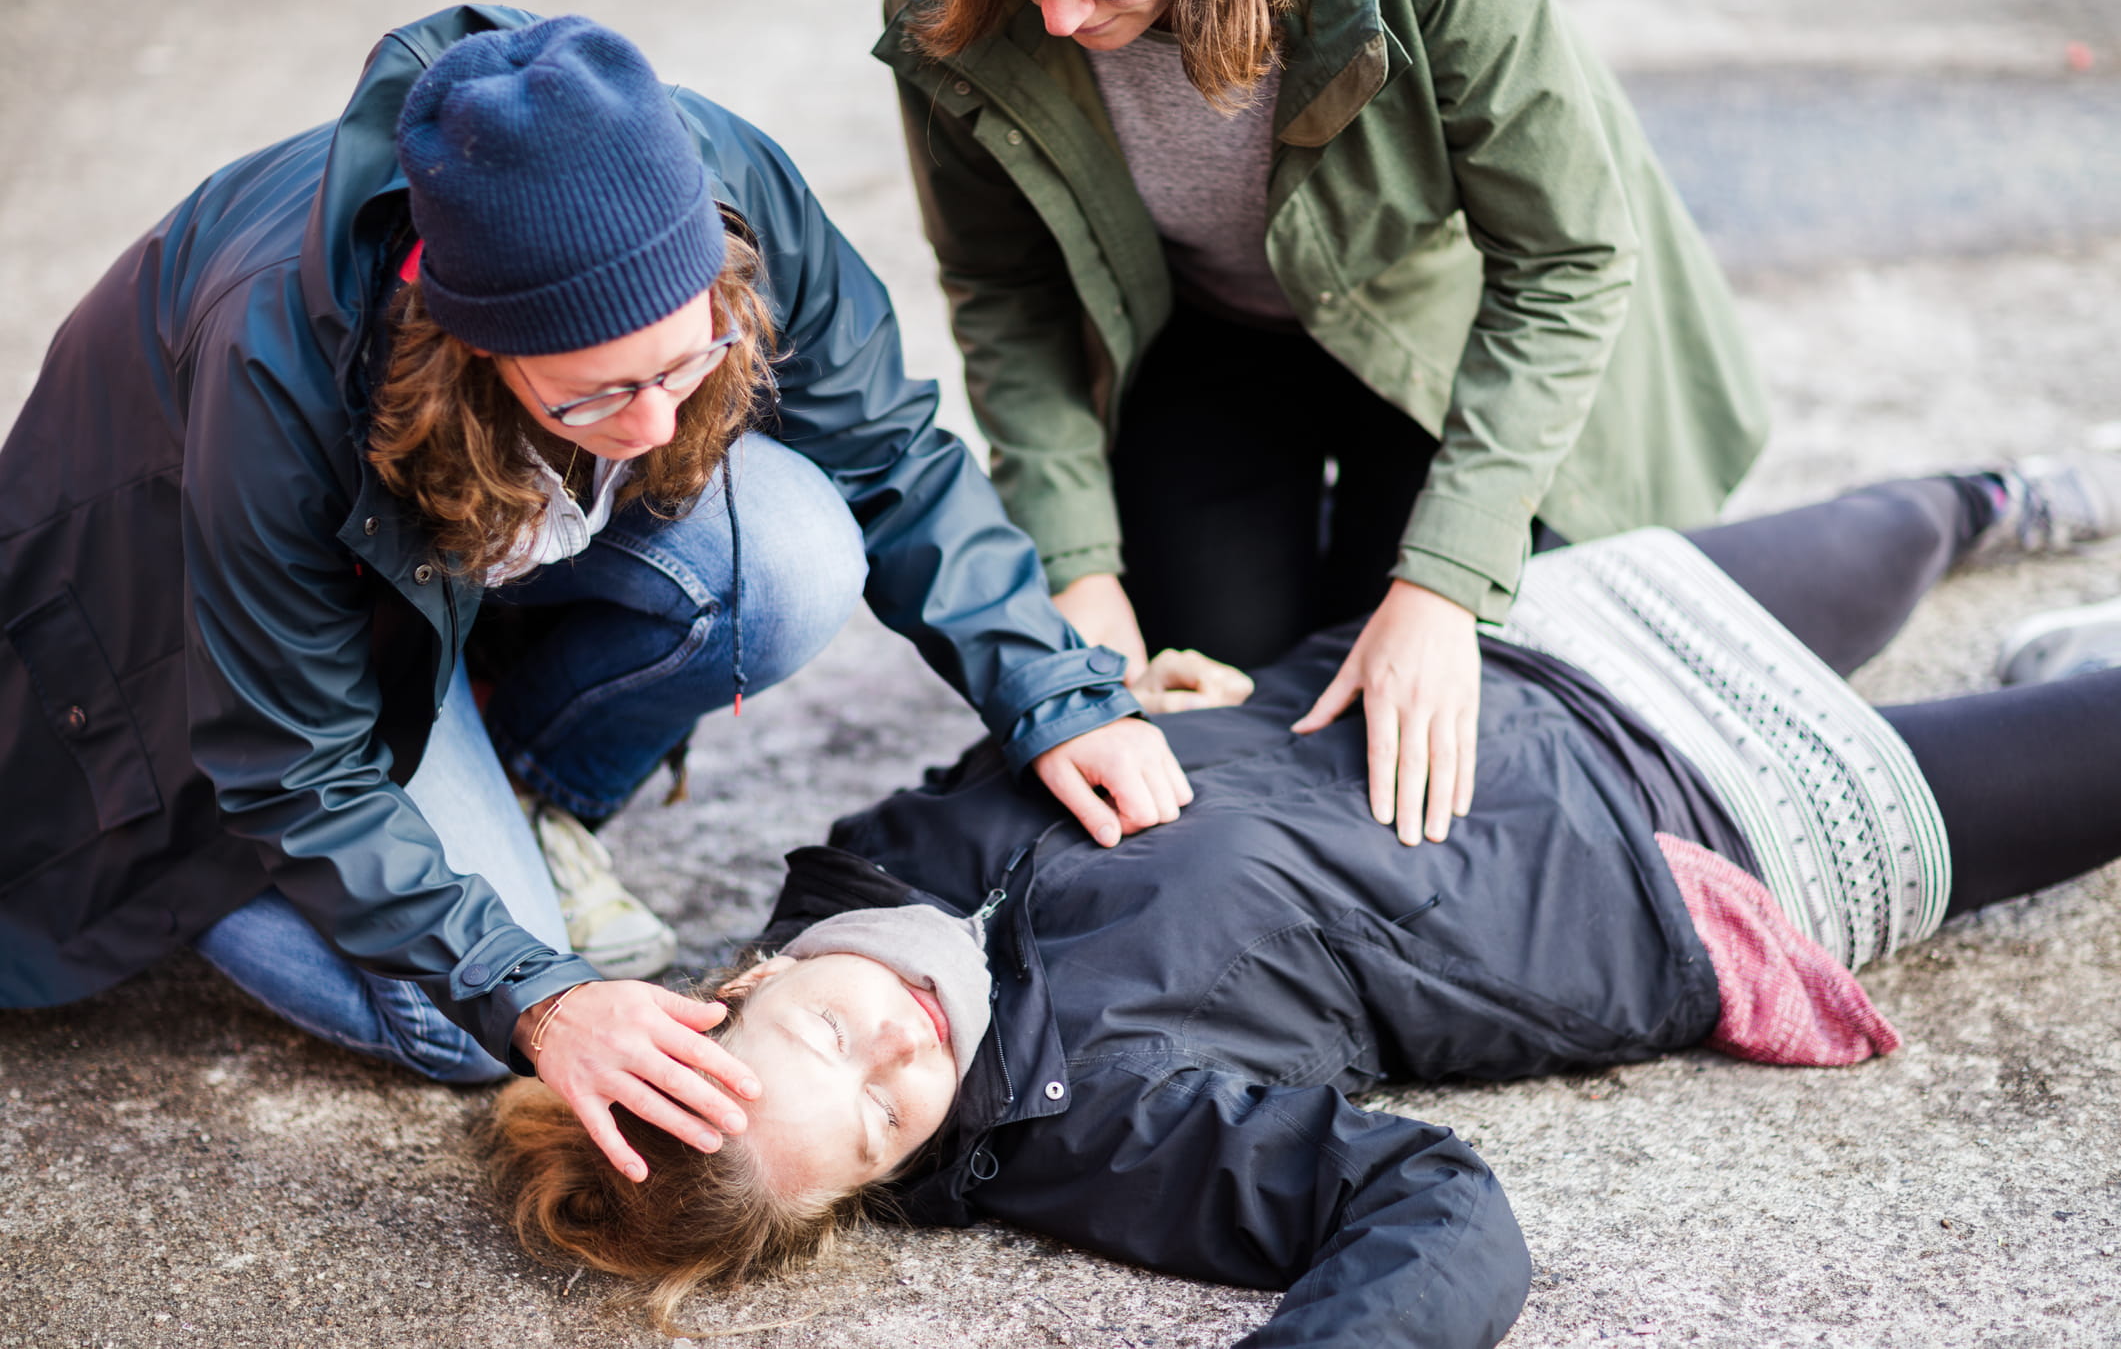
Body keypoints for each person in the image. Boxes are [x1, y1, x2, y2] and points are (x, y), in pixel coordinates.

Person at [483, 457, 2121, 1346]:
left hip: (1498, 660)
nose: (898, 1058)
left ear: (742, 983)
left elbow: (1076, 744)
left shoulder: (868, 860)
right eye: (873, 1126)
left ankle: (2017, 516)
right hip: (1686, 846)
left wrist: (1165, 701)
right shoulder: (1092, 1123)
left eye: (830, 1042)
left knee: (1908, 517)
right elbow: (1434, 1209)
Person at [0, 7, 1191, 1185]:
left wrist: (1054, 689)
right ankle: (205, 872)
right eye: (597, 394)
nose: (659, 426)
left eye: (687, 360)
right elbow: (297, 763)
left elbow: (884, 451)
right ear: (468, 346)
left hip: (433, 584)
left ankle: (518, 786)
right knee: (470, 1030)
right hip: (211, 677)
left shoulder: (717, 177)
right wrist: (540, 998)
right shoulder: (274, 362)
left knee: (792, 552)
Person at [877, 0, 1777, 847]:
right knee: (1213, 711)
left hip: (1443, 327)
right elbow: (1003, 283)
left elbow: (1562, 261)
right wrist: (1079, 570)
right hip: (1199, 329)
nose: (1059, 15)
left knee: (1415, 722)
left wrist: (1444, 584)